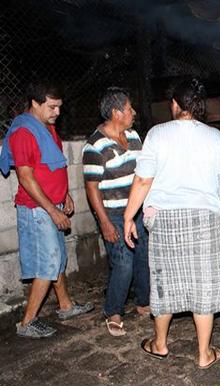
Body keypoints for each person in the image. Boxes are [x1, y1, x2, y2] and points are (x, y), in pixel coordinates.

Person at [123, 78, 220, 369]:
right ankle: (204, 354)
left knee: (164, 281)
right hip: (204, 218)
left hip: (164, 218)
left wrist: (128, 216)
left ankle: (160, 344)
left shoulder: (157, 134)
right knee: (203, 286)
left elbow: (143, 179)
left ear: (174, 104)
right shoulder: (214, 136)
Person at [0, 82, 93, 339]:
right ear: (35, 103)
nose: (57, 112)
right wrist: (53, 210)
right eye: (51, 107)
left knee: (57, 258)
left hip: (52, 204)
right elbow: (26, 178)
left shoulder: (46, 127)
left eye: (59, 107)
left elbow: (53, 165)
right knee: (48, 263)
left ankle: (65, 306)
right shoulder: (23, 133)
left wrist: (65, 194)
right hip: (36, 209)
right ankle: (27, 322)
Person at [82, 87, 150, 337]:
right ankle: (113, 311)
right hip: (113, 213)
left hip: (137, 209)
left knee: (143, 257)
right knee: (123, 264)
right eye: (129, 108)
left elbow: (144, 172)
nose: (133, 112)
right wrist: (104, 223)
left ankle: (143, 303)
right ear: (116, 112)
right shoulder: (95, 146)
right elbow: (92, 189)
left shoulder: (133, 136)